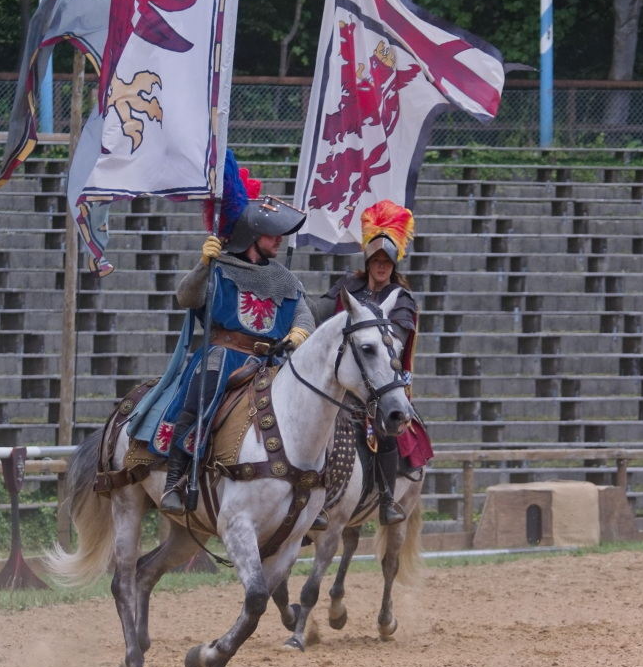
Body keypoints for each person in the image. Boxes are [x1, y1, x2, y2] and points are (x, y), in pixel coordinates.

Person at [129, 151, 315, 517]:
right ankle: (177, 478)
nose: (278, 240)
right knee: (199, 401)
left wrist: (299, 333)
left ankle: (309, 487)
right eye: (272, 234)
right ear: (251, 235)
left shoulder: (285, 279)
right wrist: (203, 265)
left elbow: (303, 314)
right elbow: (186, 297)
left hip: (270, 361)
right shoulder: (219, 268)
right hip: (223, 356)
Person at [316, 200, 433, 525]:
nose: (381, 267)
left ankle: (386, 499)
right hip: (340, 376)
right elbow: (319, 312)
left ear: (394, 265)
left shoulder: (401, 299)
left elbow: (396, 338)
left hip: (378, 382)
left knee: (386, 430)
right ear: (368, 262)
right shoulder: (348, 286)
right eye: (376, 261)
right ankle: (310, 496)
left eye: (387, 262)